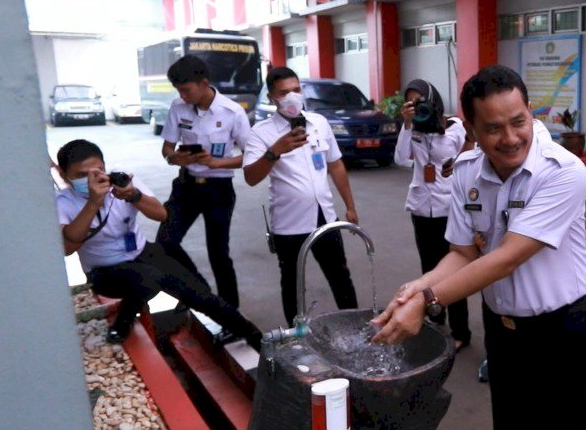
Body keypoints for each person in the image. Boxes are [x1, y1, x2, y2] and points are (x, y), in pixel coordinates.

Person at [371, 66, 586, 430]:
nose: (511, 137)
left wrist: (427, 300)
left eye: (519, 121)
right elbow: (461, 252)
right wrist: (414, 289)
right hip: (505, 329)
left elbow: (507, 257)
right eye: (493, 128)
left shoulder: (563, 171)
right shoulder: (468, 171)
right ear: (470, 129)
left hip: (564, 329)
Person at [54, 139, 263, 348]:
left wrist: (134, 195)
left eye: (98, 170)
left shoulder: (121, 180)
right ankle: (124, 321)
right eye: (82, 175)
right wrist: (93, 203)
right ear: (64, 175)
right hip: (104, 270)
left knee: (200, 295)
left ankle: (255, 337)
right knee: (149, 278)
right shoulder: (63, 202)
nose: (92, 179)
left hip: (142, 252)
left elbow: (161, 215)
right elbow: (67, 248)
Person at [243, 66, 359, 324]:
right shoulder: (261, 132)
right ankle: (297, 336)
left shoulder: (319, 123)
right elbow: (251, 177)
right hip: (289, 223)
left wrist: (350, 206)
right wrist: (275, 151)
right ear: (272, 98)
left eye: (296, 90)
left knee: (340, 275)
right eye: (285, 93)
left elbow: (336, 164)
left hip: (325, 216)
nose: (293, 96)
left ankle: (354, 326)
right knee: (293, 283)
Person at [156, 55, 251, 310]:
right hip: (185, 186)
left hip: (218, 190)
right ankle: (200, 292)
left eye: (186, 90)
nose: (183, 95)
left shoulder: (233, 112)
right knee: (164, 244)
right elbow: (167, 148)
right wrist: (173, 157)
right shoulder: (178, 107)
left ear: (204, 83)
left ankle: (230, 311)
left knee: (219, 254)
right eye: (179, 90)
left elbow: (251, 157)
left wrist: (217, 163)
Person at [394, 78, 474, 352]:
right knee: (429, 269)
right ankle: (435, 319)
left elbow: (471, 151)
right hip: (420, 208)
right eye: (412, 102)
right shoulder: (413, 129)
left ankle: (461, 330)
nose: (417, 107)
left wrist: (458, 163)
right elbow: (401, 159)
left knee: (453, 270)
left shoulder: (454, 128)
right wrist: (406, 125)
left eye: (421, 101)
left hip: (449, 208)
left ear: (433, 100)